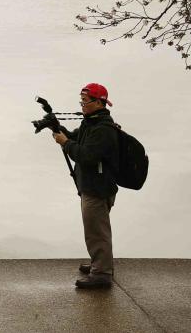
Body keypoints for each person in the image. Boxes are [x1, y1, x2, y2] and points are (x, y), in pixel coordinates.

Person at [53, 83, 120, 289]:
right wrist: (55, 127)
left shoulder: (103, 129)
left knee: (97, 231)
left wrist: (65, 143)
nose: (82, 104)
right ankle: (99, 263)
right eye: (81, 101)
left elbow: (86, 155)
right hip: (91, 186)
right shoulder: (90, 123)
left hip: (98, 189)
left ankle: (101, 273)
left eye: (86, 101)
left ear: (99, 103)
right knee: (94, 228)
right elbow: (76, 138)